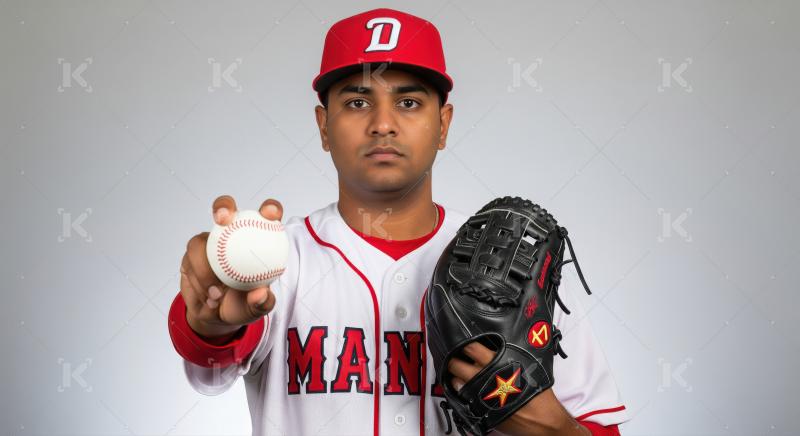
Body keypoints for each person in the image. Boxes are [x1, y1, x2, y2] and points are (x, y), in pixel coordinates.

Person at [168, 8, 629, 435]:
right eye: (356, 102)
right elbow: (209, 365)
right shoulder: (276, 265)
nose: (383, 124)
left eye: (408, 102)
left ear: (443, 124)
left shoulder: (520, 268)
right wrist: (208, 320)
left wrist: (551, 428)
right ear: (323, 126)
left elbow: (598, 426)